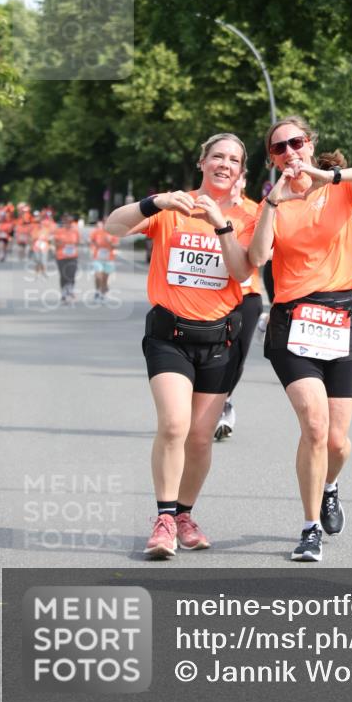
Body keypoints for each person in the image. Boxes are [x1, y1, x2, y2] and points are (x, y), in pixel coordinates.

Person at [248, 115, 352, 562]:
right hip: (293, 321)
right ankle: (310, 527)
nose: (289, 152)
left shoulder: (341, 188)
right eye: (279, 148)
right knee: (313, 427)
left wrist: (329, 176)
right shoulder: (273, 204)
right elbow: (257, 256)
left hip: (342, 319)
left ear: (310, 144)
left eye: (296, 143)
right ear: (273, 159)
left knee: (336, 441)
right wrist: (272, 202)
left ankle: (330, 485)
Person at [106, 134, 254, 559]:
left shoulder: (249, 214)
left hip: (219, 338)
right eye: (217, 156)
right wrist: (155, 202)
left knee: (201, 438)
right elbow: (113, 228)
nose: (224, 164)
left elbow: (243, 271)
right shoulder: (174, 206)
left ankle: (185, 514)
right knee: (174, 425)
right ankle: (165, 519)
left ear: (242, 171)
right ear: (202, 162)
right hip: (169, 336)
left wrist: (221, 224)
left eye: (234, 160)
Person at [215, 174, 263, 441]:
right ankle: (203, 405)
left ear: (244, 181)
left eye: (238, 178)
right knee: (212, 354)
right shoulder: (206, 208)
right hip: (213, 294)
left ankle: (224, 402)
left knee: (237, 356)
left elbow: (268, 251)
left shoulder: (256, 211)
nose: (232, 182)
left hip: (247, 295)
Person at [89, 219, 119, 302]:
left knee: (105, 279)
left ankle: (103, 294)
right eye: (105, 223)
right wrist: (95, 245)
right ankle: (97, 291)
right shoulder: (97, 231)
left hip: (109, 259)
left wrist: (110, 242)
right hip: (98, 258)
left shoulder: (114, 233)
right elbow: (91, 240)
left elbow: (116, 245)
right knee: (98, 276)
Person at [53, 215, 80, 303]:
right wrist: (62, 244)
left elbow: (77, 242)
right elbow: (55, 243)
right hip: (61, 256)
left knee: (72, 274)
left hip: (73, 256)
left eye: (70, 222)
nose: (68, 224)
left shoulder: (75, 231)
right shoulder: (59, 231)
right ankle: (63, 293)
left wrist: (70, 245)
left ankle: (70, 289)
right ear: (64, 222)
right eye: (67, 222)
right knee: (63, 275)